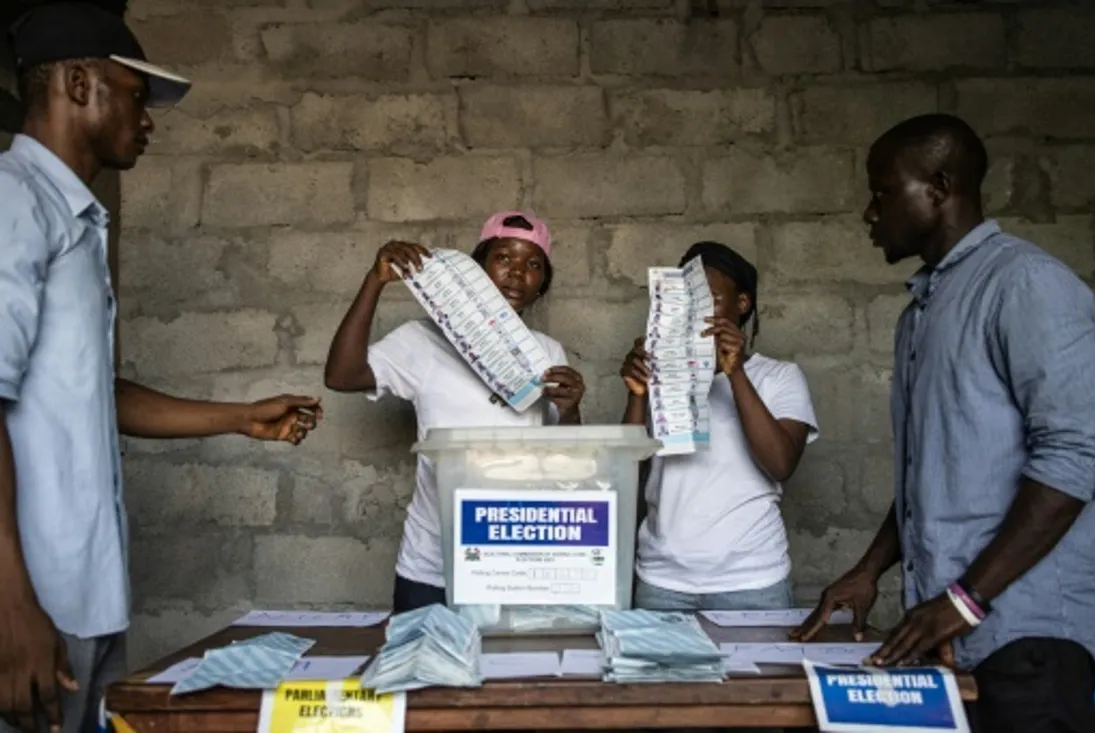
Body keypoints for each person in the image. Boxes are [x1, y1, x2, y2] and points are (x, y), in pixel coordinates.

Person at [0, 4, 323, 732]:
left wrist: (240, 417)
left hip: (81, 596)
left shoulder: (74, 221)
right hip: (30, 604)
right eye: (136, 96)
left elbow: (90, 397)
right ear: (78, 84)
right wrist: (10, 602)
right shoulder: (14, 203)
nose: (147, 122)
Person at [792, 113, 1095, 733]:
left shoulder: (1025, 284)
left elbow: (1075, 458)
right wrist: (870, 569)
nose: (869, 213)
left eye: (882, 193)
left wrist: (966, 599)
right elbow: (930, 476)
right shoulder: (923, 310)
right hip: (952, 633)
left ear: (939, 187)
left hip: (1029, 637)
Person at [324, 211, 586, 613]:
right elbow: (342, 376)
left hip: (514, 564)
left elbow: (565, 463)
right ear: (476, 270)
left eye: (533, 265)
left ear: (542, 286)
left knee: (506, 674)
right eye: (503, 258)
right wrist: (374, 281)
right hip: (432, 565)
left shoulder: (547, 353)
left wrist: (570, 411)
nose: (517, 273)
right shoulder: (421, 342)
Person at [622, 242, 819, 611]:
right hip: (662, 580)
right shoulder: (663, 376)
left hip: (751, 580)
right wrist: (637, 395)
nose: (694, 311)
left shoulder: (779, 377)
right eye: (686, 299)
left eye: (708, 298)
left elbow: (780, 464)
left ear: (741, 305)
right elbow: (628, 474)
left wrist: (735, 373)